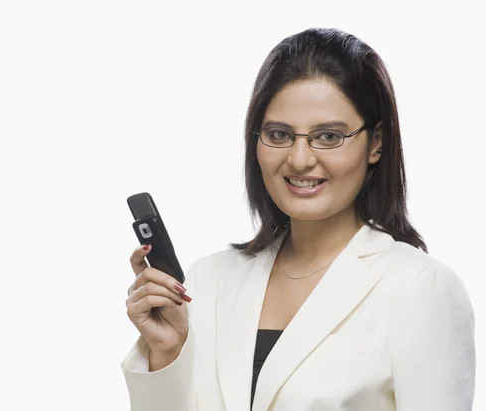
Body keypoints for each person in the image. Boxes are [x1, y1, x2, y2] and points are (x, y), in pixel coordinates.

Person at [120, 28, 476, 411]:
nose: (300, 159)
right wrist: (166, 352)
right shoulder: (207, 282)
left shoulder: (422, 290)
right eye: (279, 134)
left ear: (376, 142)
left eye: (328, 136)